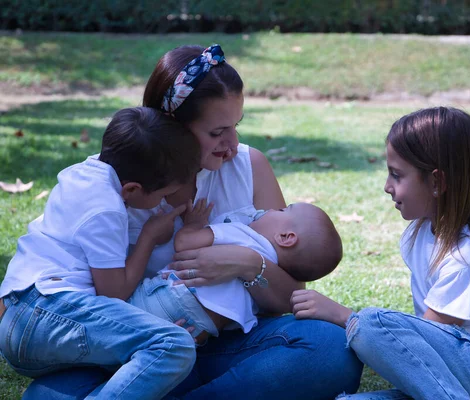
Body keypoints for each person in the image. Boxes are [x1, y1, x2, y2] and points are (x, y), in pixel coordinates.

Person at [22, 44, 363, 400]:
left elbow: (293, 298)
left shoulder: (250, 167)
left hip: (225, 346)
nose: (232, 144)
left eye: (236, 126)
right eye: (217, 133)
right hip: (137, 352)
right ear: (173, 128)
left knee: (330, 351)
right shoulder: (119, 183)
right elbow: (72, 293)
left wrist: (247, 263)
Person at [291, 107, 470, 400]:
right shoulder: (421, 232)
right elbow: (422, 355)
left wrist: (343, 316)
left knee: (369, 324)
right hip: (453, 375)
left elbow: (425, 336)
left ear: (436, 183)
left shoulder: (469, 257)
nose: (387, 186)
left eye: (396, 175)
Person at [0, 107, 202, 399]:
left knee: (142, 345)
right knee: (174, 345)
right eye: (161, 196)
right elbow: (114, 293)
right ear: (132, 188)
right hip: (46, 310)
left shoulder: (86, 172)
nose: (162, 204)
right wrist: (149, 237)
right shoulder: (106, 208)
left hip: (21, 316)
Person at [128, 200, 343, 342]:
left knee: (117, 324)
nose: (268, 210)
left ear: (286, 238)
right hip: (197, 333)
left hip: (170, 298)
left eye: (282, 210)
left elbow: (184, 243)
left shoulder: (242, 234)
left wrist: (194, 224)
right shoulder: (269, 278)